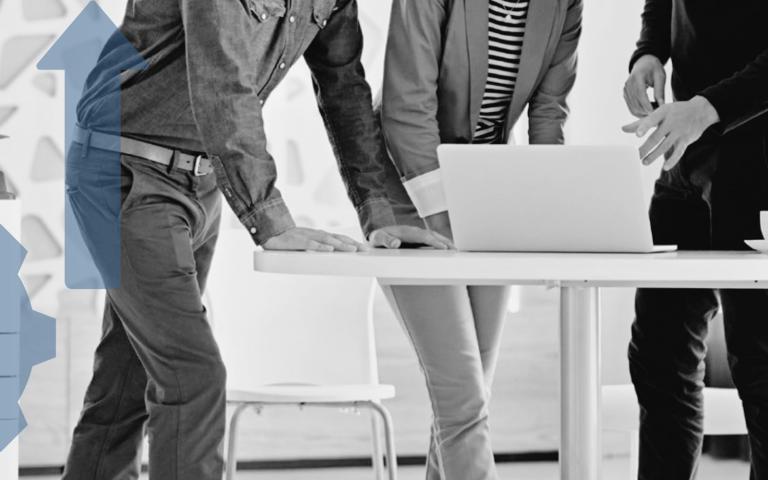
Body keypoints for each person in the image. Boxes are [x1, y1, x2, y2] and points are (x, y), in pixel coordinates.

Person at [61, 1, 449, 479]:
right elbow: (223, 79)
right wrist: (271, 219)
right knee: (192, 377)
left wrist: (380, 212)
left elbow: (344, 86)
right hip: (124, 171)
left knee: (126, 378)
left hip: (203, 181)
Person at [378, 0, 583, 478]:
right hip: (408, 184)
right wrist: (448, 219)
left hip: (490, 185)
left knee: (468, 396)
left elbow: (549, 114)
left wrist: (548, 211)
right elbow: (406, 106)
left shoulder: (566, 4)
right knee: (463, 399)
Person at [622, 1, 768, 478]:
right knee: (659, 360)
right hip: (684, 158)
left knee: (761, 362)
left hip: (760, 162)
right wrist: (649, 52)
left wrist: (706, 109)